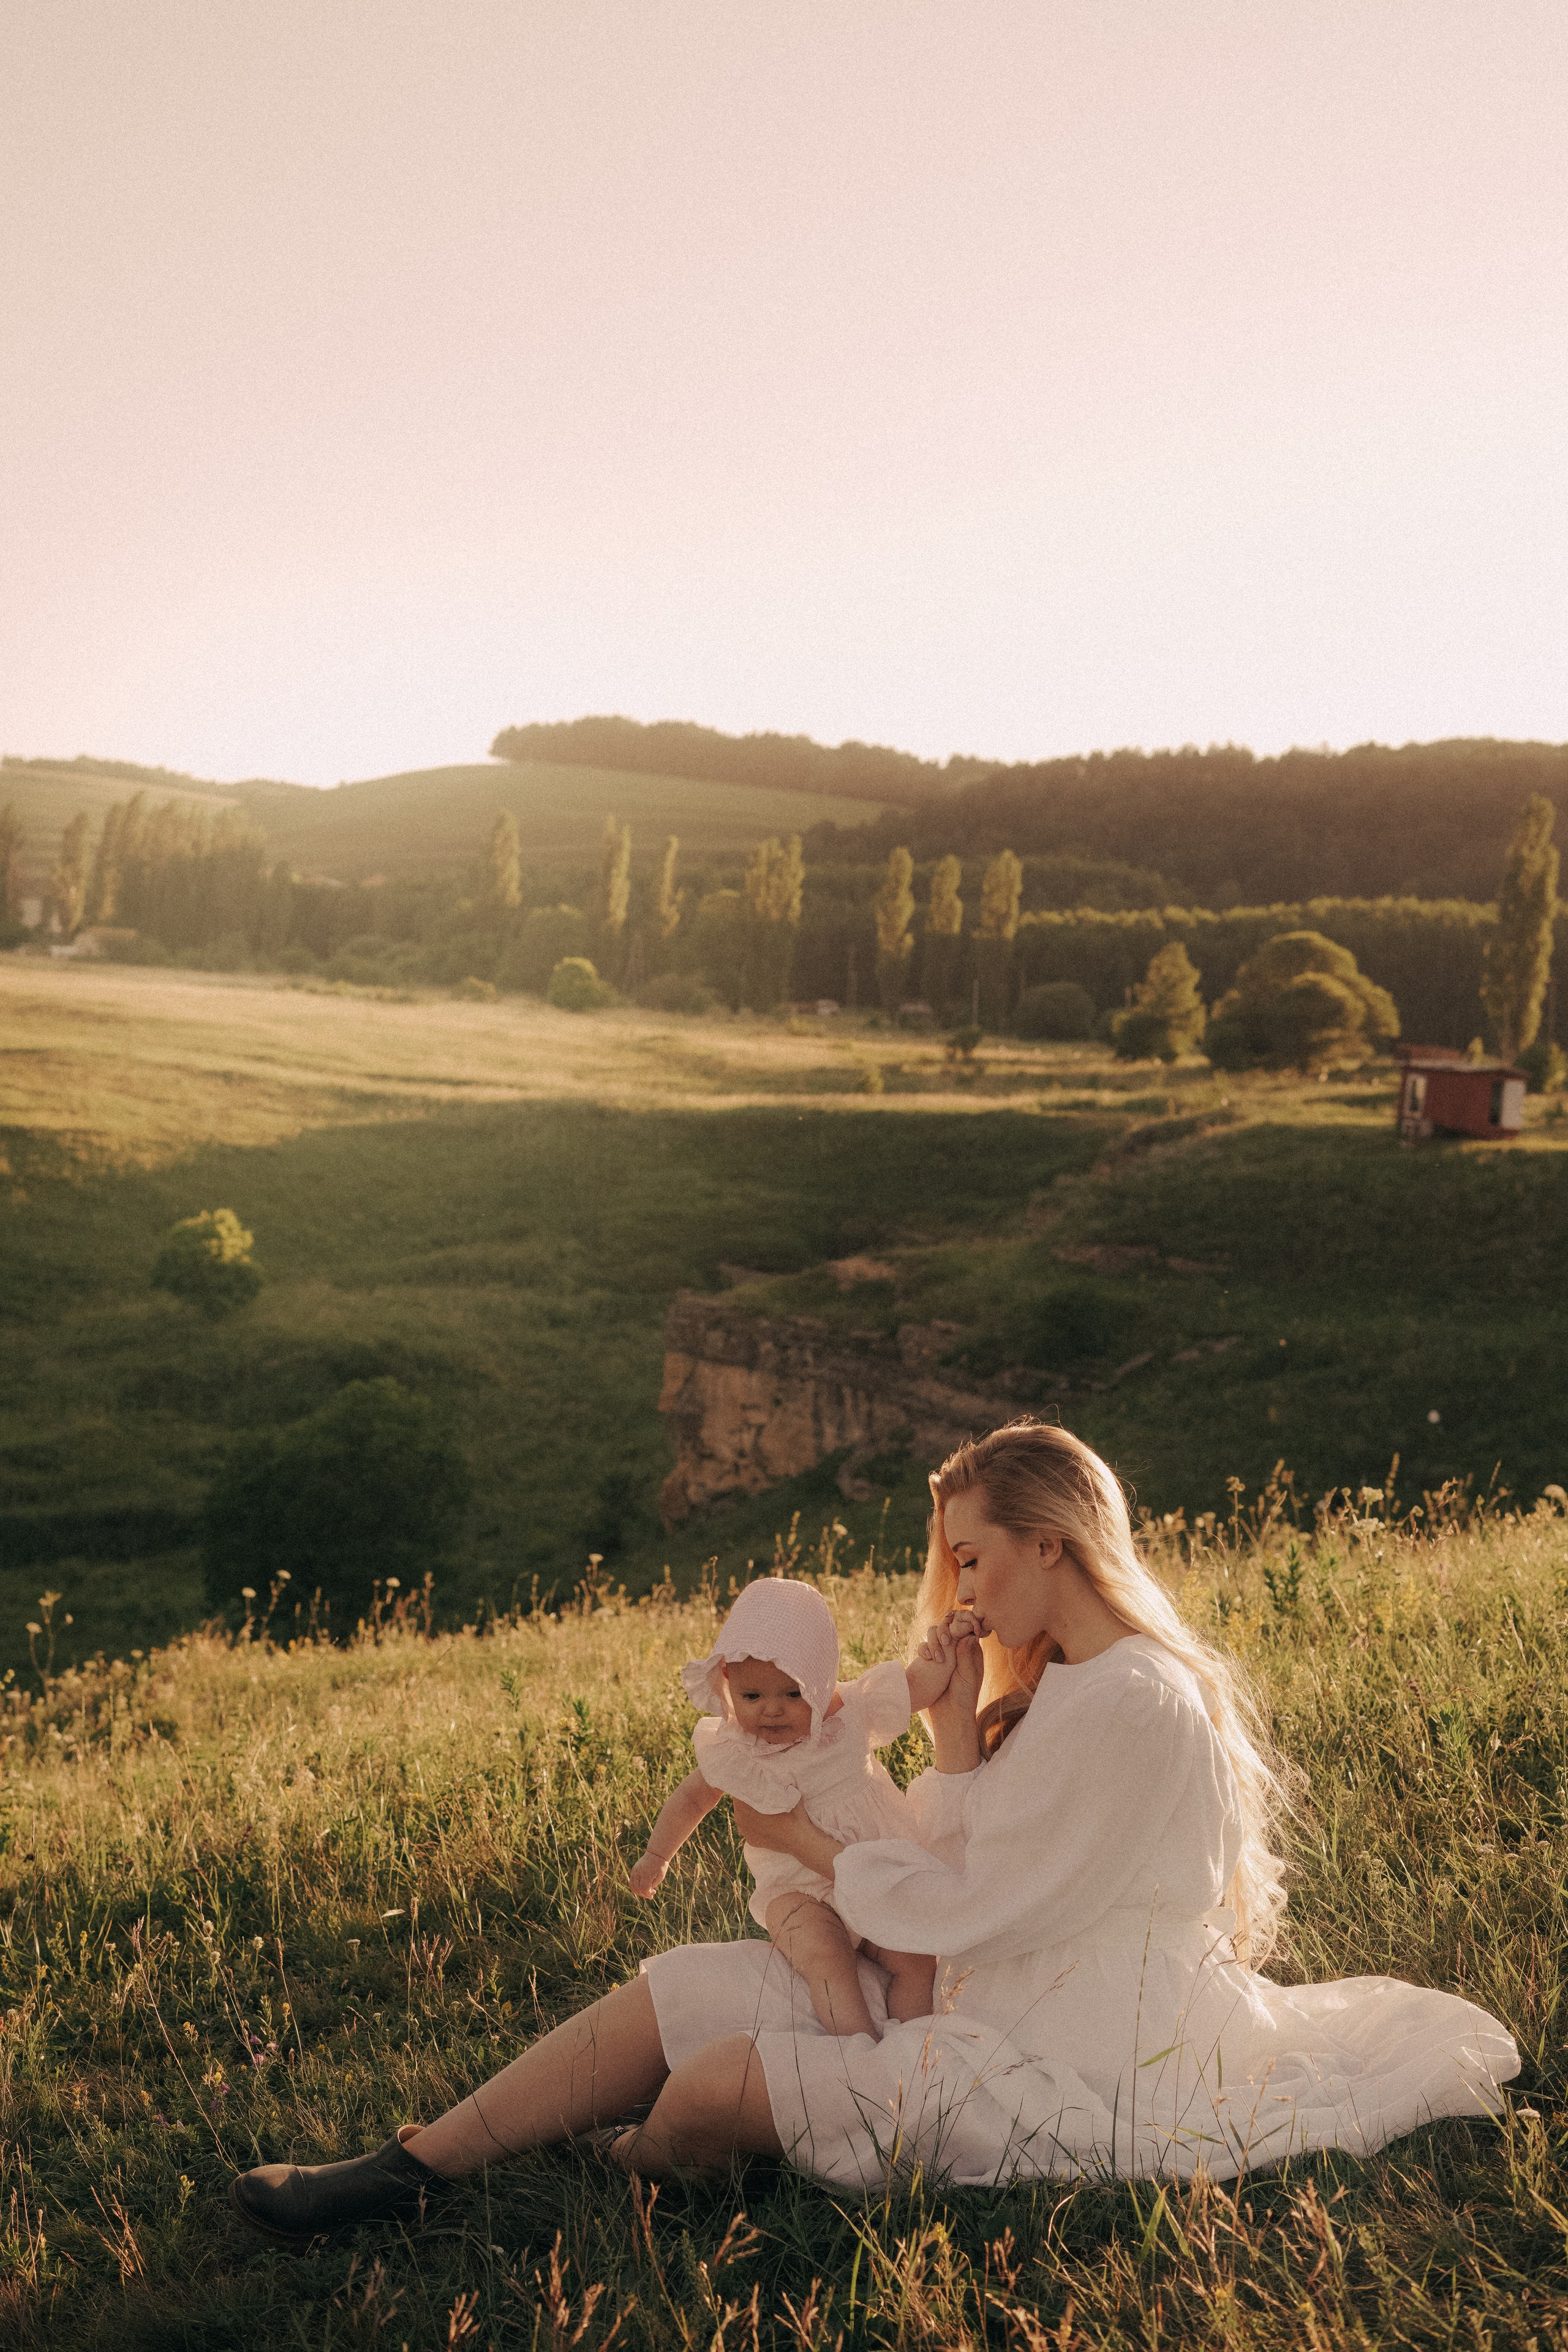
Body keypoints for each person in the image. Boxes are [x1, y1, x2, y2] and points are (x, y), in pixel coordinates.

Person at [229, 1422, 1520, 2244]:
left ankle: (620, 2157)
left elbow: (970, 1902)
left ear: (1053, 1544)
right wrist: (955, 1733)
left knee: (716, 2085)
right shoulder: (1060, 1678)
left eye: (971, 1558)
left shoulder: (1136, 1697)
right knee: (678, 1990)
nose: (957, 1587)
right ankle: (412, 2169)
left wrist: (801, 1843)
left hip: (1079, 2050)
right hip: (975, 1977)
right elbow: (970, 1866)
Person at [628, 1575, 949, 2038]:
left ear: (821, 1683)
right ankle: (856, 2046)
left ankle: (913, 2044)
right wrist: (657, 1855)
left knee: (917, 1960)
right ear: (727, 1685)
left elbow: (917, 1688)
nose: (771, 1711)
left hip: (872, 1873)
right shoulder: (737, 1748)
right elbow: (693, 1797)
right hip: (795, 1889)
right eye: (751, 1697)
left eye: (793, 1694)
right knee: (824, 1956)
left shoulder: (851, 1713)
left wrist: (946, 1650)